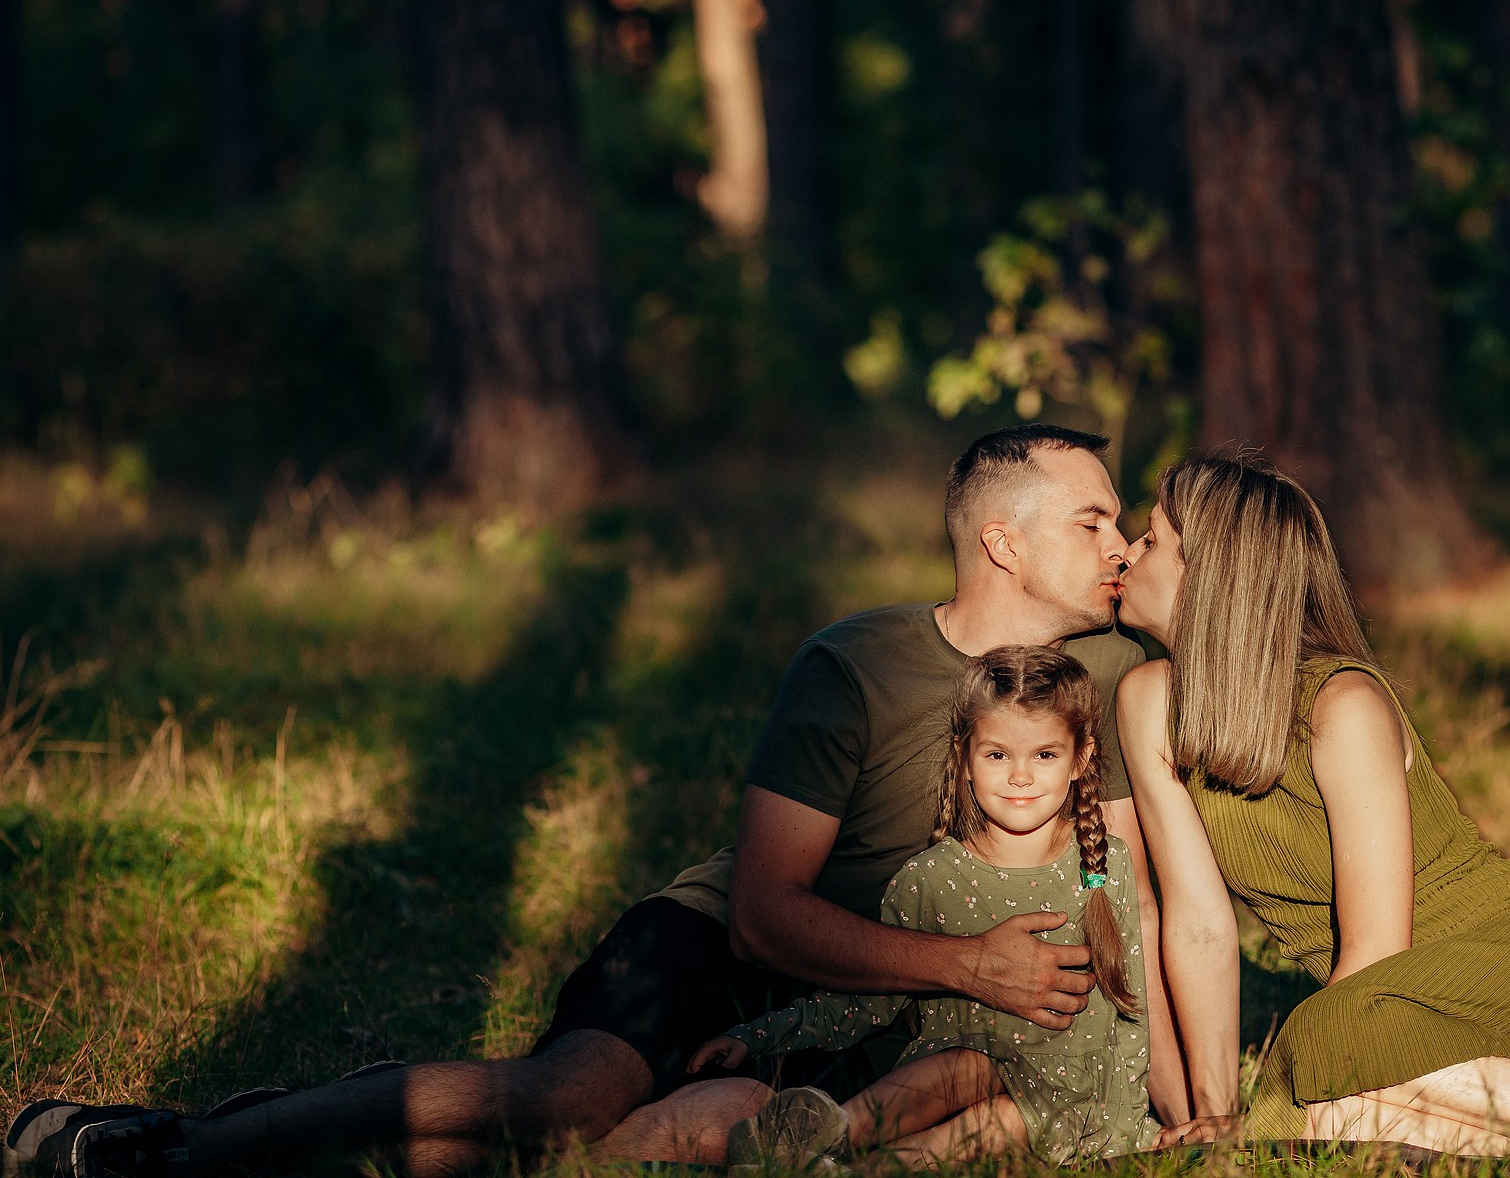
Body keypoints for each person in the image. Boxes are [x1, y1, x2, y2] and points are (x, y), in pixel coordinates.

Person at [7, 425, 1171, 1177]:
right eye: (1093, 521)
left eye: (1122, 524)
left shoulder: (1110, 680)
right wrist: (969, 965)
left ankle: (304, 1134)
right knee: (564, 1104)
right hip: (720, 952)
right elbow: (764, 913)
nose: (1119, 544)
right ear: (1002, 540)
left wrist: (1177, 1090)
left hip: (881, 1013)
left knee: (595, 1153)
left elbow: (1125, 896)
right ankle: (172, 1146)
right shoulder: (857, 664)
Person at [1115, 453, 1510, 1174]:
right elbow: (1198, 921)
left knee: (1314, 1053)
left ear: (1208, 574)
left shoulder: (1342, 705)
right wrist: (1215, 1115)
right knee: (1318, 1120)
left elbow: (1376, 954)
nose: (1125, 552)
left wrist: (1307, 1061)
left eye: (1150, 539)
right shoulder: (1147, 703)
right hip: (1402, 1031)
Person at [688, 646, 1157, 1169]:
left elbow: (1132, 1012)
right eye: (997, 755)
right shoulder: (929, 879)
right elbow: (863, 1003)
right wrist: (755, 1037)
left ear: (1081, 759)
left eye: (1045, 755)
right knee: (971, 1064)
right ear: (964, 758)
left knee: (998, 1118)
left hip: (1071, 1109)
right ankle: (815, 1139)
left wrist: (1131, 1126)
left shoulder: (1103, 866)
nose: (1020, 776)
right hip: (945, 1092)